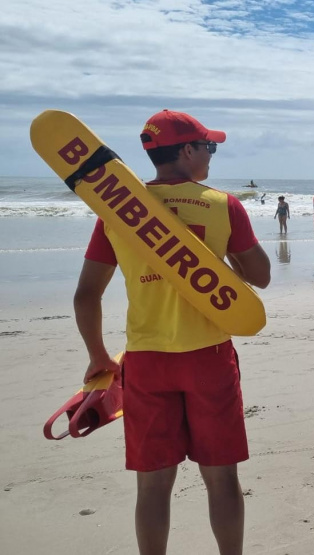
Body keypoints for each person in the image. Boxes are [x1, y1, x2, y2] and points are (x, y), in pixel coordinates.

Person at [74, 109, 271, 555]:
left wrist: (98, 356)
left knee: (153, 486)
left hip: (147, 360)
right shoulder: (224, 204)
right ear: (187, 151)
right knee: (221, 477)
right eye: (208, 147)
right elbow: (260, 276)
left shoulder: (118, 211)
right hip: (209, 358)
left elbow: (86, 295)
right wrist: (218, 257)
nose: (212, 155)